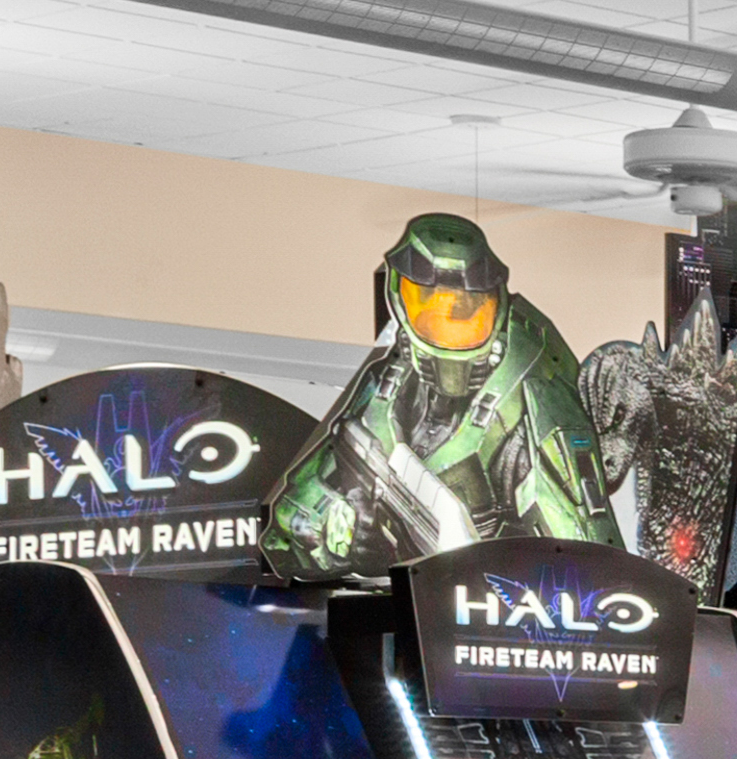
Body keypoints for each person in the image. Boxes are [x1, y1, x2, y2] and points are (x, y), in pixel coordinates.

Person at [258, 215, 613, 571]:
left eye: (465, 308)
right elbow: (283, 534)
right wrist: (340, 528)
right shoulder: (388, 383)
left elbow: (591, 569)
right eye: (430, 302)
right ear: (401, 301)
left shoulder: (531, 410)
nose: (448, 323)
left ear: (494, 304)